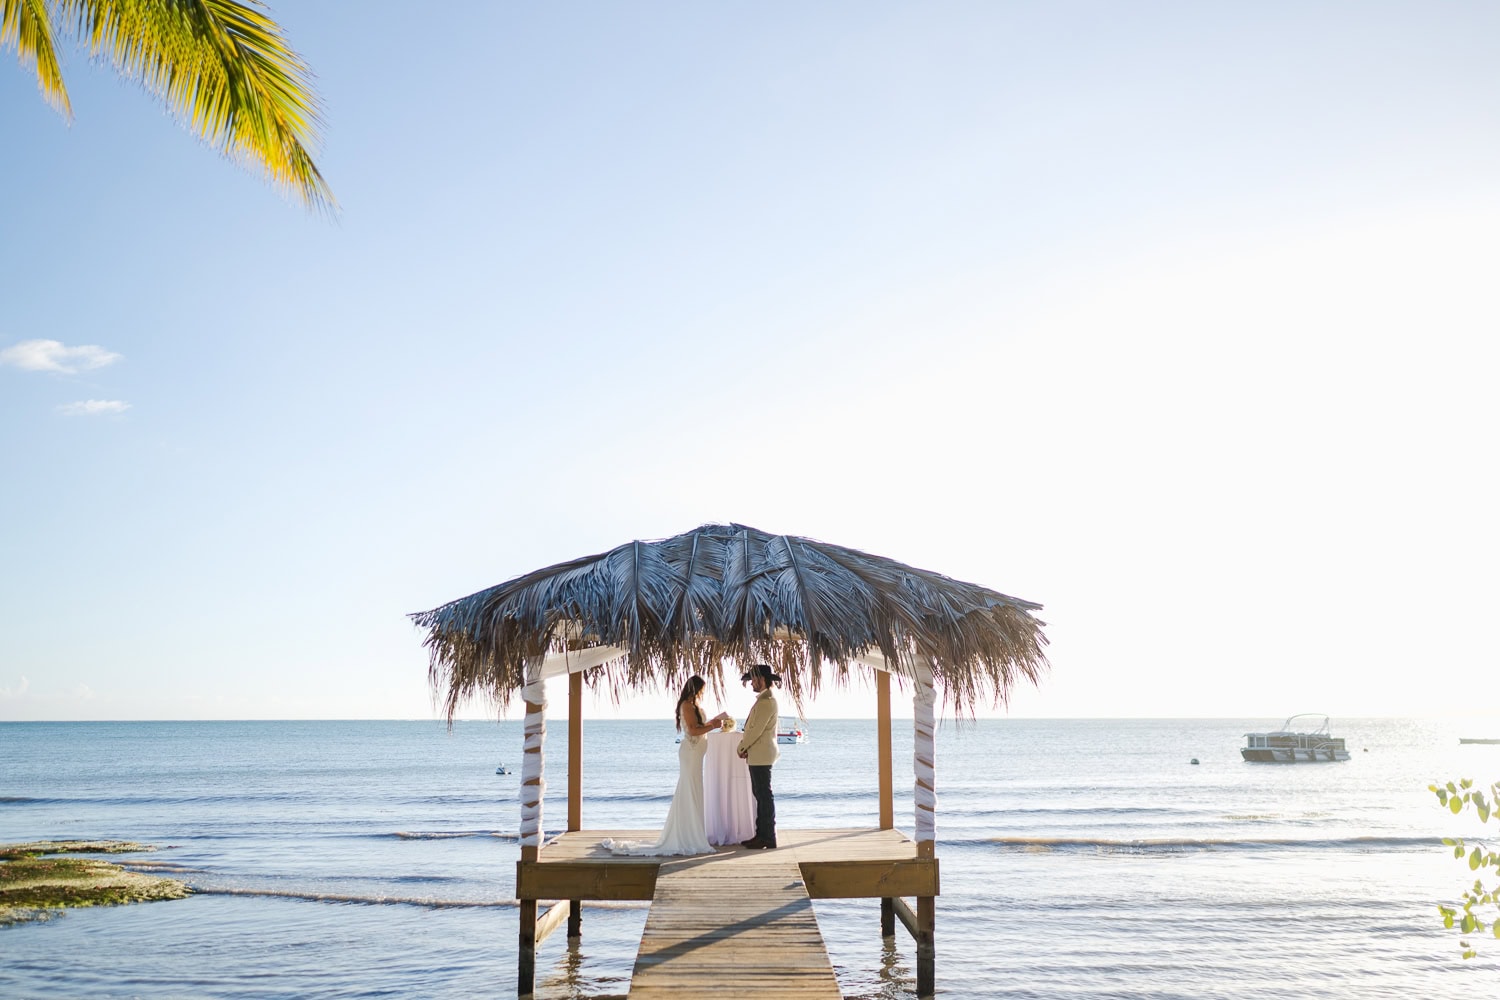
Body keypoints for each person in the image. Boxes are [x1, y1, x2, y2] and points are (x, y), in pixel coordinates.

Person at [602, 675, 731, 856]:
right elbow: (693, 731)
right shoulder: (686, 705)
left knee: (693, 791)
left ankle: (692, 833)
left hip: (697, 753)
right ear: (695, 689)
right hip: (691, 752)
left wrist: (712, 723)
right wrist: (713, 726)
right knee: (689, 790)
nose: (703, 693)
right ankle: (688, 836)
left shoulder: (694, 705)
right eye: (702, 689)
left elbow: (698, 726)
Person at [736, 663, 781, 849]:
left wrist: (741, 747)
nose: (752, 683)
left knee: (763, 795)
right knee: (761, 795)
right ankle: (761, 834)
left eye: (754, 679)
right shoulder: (764, 700)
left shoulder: (766, 702)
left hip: (761, 754)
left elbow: (755, 730)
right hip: (758, 753)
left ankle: (767, 837)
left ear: (762, 680)